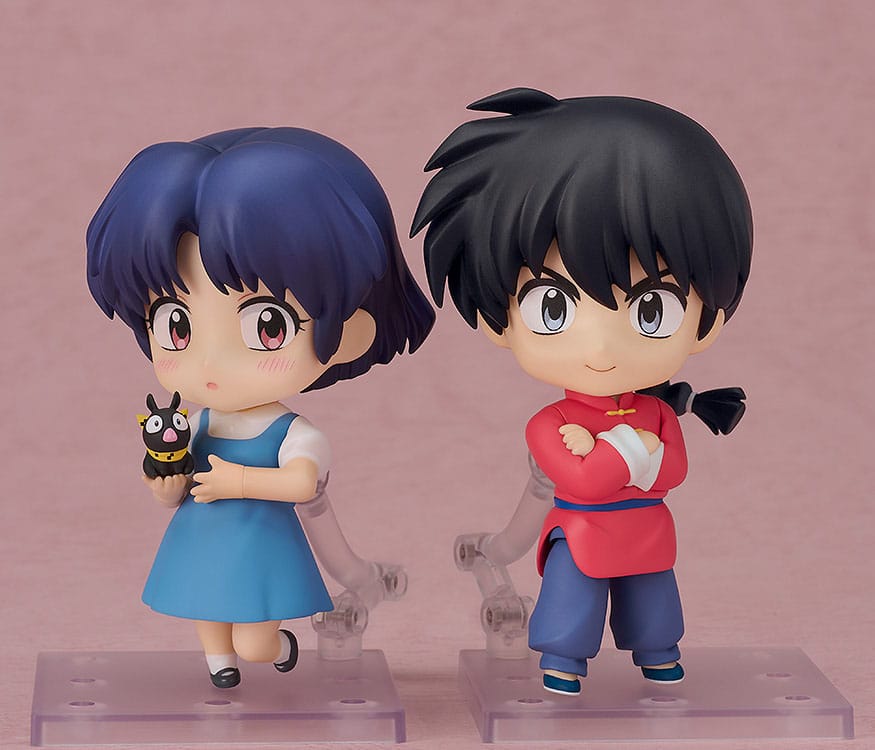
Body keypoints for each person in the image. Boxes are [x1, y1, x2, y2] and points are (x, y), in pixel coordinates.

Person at [412, 88, 752, 695]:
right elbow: (586, 482)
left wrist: (613, 451)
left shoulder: (657, 410)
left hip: (647, 530)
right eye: (554, 306)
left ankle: (658, 653)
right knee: (573, 597)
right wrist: (632, 452)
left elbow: (673, 470)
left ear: (707, 322)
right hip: (584, 530)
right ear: (498, 320)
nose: (600, 346)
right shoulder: (549, 423)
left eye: (651, 308)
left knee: (654, 602)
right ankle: (564, 661)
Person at [87, 126, 434, 688]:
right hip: (200, 539)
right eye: (175, 325)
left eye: (267, 325)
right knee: (204, 605)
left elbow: (302, 484)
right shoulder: (195, 422)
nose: (211, 363)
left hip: (261, 546)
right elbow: (170, 490)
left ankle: (271, 647)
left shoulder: (291, 431)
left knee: (254, 639)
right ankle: (217, 663)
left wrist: (239, 481)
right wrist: (165, 481)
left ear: (350, 330)